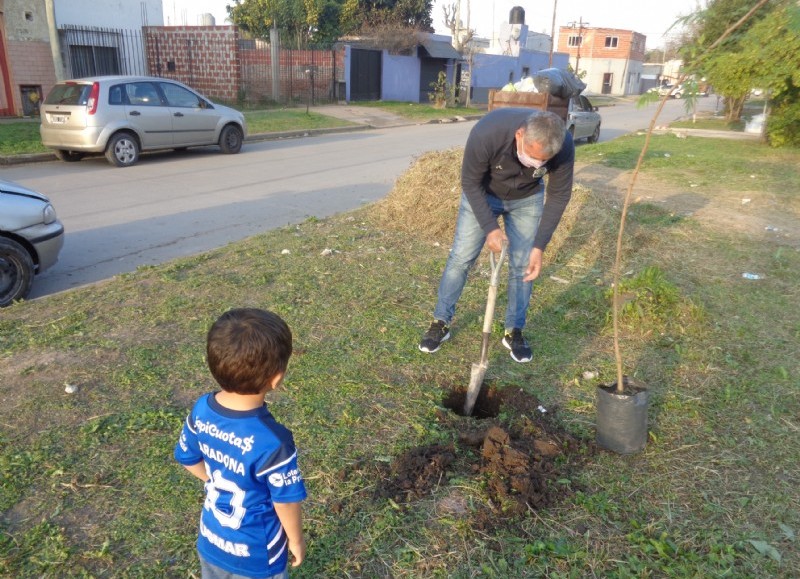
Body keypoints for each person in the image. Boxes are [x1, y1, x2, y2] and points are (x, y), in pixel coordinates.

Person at [418, 108, 575, 363]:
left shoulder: (563, 143)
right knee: (461, 258)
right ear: (519, 135)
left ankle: (514, 330)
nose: (535, 164)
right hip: (483, 194)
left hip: (527, 199)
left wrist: (539, 246)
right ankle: (440, 321)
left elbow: (559, 196)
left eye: (542, 162)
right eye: (531, 157)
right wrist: (490, 227)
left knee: (523, 267)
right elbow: (469, 182)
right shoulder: (488, 132)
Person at [175, 308, 307, 579]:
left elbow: (187, 457)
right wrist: (296, 540)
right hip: (257, 555)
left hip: (211, 541)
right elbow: (285, 503)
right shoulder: (274, 443)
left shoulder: (201, 409)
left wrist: (212, 480)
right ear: (276, 379)